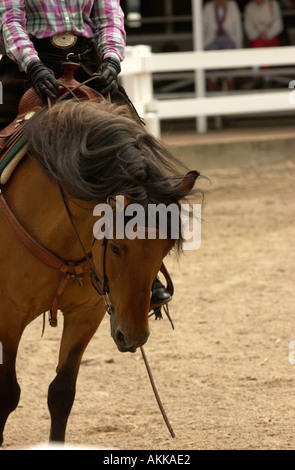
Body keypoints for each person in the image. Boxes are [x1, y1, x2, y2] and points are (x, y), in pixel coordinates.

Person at [0, 0, 126, 130]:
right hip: (28, 62)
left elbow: (110, 20)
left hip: (86, 61)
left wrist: (111, 61)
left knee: (129, 127)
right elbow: (11, 21)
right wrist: (33, 66)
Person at [203, 0, 243, 90]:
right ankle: (212, 80)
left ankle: (229, 80)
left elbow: (237, 27)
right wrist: (203, 44)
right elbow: (203, 27)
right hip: (212, 39)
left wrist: (239, 46)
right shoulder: (208, 7)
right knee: (211, 53)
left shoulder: (232, 5)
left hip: (229, 38)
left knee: (228, 52)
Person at [244, 0, 284, 88]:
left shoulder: (273, 4)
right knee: (258, 48)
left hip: (271, 37)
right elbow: (248, 26)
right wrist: (258, 35)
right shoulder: (249, 7)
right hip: (256, 38)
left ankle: (263, 78)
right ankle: (259, 77)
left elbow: (278, 24)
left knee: (265, 51)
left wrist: (268, 34)